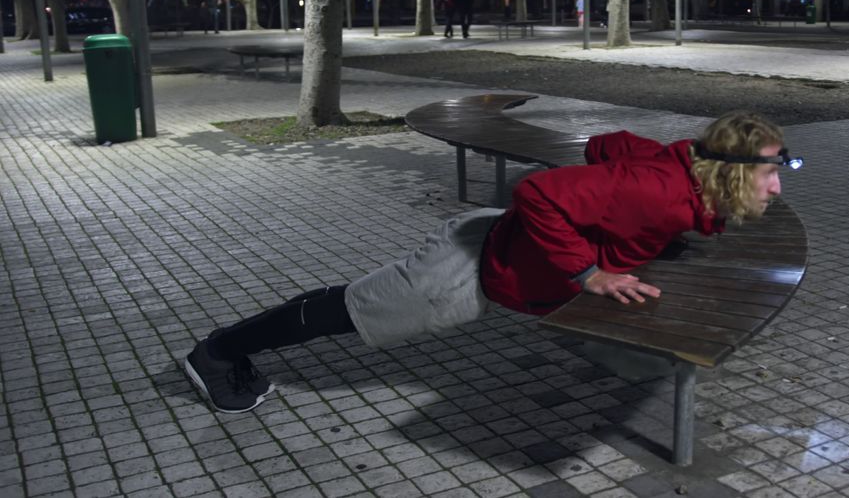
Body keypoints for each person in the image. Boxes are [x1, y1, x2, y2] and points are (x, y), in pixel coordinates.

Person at [183, 111, 802, 413]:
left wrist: (623, 234)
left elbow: (604, 145)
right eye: (773, 171)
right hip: (473, 267)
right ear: (726, 170)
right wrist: (590, 272)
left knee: (352, 302)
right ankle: (217, 353)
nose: (777, 187)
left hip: (500, 251)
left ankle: (239, 341)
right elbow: (538, 193)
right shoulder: (657, 191)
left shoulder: (675, 165)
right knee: (354, 311)